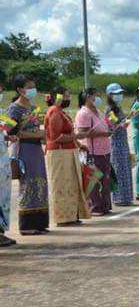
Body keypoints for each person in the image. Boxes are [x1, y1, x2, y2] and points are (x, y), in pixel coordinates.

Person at [7, 76, 49, 235]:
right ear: (19, 90)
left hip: (36, 149)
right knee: (28, 185)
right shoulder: (14, 109)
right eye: (29, 87)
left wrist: (41, 135)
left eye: (34, 86)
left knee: (40, 185)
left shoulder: (33, 107)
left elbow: (35, 128)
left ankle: (39, 223)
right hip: (24, 149)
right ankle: (27, 225)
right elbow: (12, 132)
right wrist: (36, 134)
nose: (33, 90)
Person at [44, 88, 90, 226]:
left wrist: (78, 143)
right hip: (59, 153)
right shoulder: (54, 112)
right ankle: (63, 218)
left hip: (68, 152)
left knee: (72, 185)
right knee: (61, 186)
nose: (68, 98)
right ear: (55, 97)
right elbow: (56, 137)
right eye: (65, 96)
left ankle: (71, 215)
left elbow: (68, 133)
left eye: (69, 95)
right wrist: (77, 136)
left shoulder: (61, 112)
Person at [74, 87, 114, 216]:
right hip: (92, 151)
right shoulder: (83, 113)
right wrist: (102, 133)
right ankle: (95, 207)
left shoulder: (99, 111)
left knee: (105, 180)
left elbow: (107, 125)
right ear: (87, 97)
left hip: (104, 150)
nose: (98, 99)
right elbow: (82, 133)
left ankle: (105, 205)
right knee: (94, 181)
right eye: (95, 96)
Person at [104, 84, 134, 207]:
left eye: (120, 93)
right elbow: (111, 126)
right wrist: (122, 125)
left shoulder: (117, 108)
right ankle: (120, 197)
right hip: (116, 143)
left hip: (123, 141)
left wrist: (129, 118)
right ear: (110, 95)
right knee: (119, 170)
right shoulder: (109, 110)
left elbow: (119, 122)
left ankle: (126, 197)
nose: (119, 96)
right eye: (116, 94)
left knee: (125, 169)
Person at [0, 86, 17, 246]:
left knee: (3, 198)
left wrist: (8, 136)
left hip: (3, 163)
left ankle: (1, 232)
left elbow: (6, 128)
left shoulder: (1, 112)